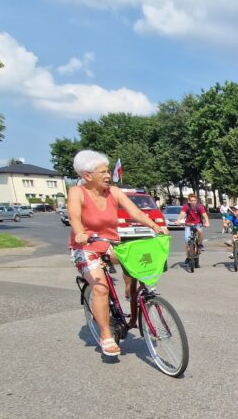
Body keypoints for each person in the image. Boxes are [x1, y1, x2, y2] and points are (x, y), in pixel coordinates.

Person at [68, 150, 168, 356]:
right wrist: (80, 233)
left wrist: (155, 226)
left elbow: (135, 212)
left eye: (108, 171)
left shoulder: (113, 192)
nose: (108, 175)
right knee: (101, 289)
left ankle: (133, 302)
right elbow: (74, 217)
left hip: (109, 244)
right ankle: (106, 336)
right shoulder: (77, 192)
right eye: (103, 172)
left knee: (136, 264)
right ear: (87, 176)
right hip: (85, 247)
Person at [175, 194, 209, 261]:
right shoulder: (186, 206)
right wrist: (178, 220)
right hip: (188, 224)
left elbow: (204, 215)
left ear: (196, 201)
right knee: (187, 241)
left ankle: (200, 244)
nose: (193, 202)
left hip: (198, 223)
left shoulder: (199, 206)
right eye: (191, 200)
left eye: (194, 200)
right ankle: (188, 257)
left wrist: (207, 222)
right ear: (189, 201)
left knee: (200, 231)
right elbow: (182, 214)